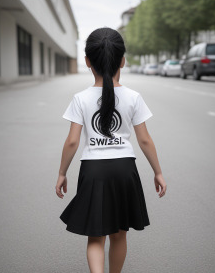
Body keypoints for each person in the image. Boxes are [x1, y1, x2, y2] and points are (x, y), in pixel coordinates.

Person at [55, 27, 167, 273]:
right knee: (119, 234)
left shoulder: (80, 98)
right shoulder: (133, 97)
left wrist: (62, 172)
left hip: (93, 170)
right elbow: (145, 140)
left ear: (87, 62)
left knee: (96, 236)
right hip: (125, 169)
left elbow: (72, 142)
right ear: (123, 61)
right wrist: (157, 172)